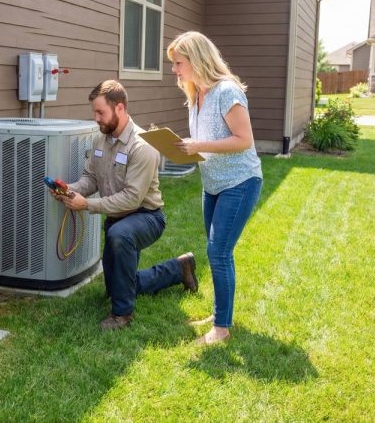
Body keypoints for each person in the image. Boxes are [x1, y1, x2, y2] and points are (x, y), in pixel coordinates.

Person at [51, 79, 198, 331]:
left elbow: (132, 198)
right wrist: (70, 190)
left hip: (147, 217)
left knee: (119, 236)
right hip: (118, 219)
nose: (96, 118)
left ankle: (123, 314)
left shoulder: (143, 146)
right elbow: (91, 178)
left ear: (119, 108)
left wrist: (87, 205)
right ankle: (178, 268)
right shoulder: (100, 141)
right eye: (94, 112)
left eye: (100, 112)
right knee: (117, 286)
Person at [167, 31, 263, 345]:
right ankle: (221, 315)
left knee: (218, 251)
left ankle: (221, 329)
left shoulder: (227, 91)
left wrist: (199, 144)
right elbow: (208, 143)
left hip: (240, 181)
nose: (175, 70)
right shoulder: (196, 95)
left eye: (178, 63)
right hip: (213, 184)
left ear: (196, 59)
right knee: (218, 252)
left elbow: (243, 140)